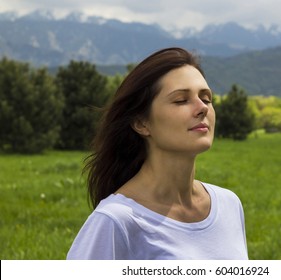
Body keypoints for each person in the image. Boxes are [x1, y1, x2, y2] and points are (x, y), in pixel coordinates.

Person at [66, 47, 248, 260]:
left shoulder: (229, 205)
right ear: (141, 123)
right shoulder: (116, 221)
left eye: (206, 98)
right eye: (181, 100)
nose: (202, 108)